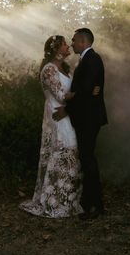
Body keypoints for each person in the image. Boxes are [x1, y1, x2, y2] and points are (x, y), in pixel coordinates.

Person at [19, 35, 84, 218]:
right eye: (64, 44)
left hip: (67, 114)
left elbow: (68, 94)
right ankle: (53, 200)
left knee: (71, 153)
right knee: (63, 151)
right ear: (56, 49)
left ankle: (67, 199)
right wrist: (84, 92)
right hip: (57, 115)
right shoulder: (49, 70)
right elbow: (61, 95)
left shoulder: (65, 69)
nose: (67, 46)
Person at [53, 28, 107, 220]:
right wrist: (83, 92)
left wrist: (67, 108)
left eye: (74, 40)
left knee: (88, 159)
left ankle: (95, 205)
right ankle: (89, 202)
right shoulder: (87, 60)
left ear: (84, 42)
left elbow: (85, 91)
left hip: (89, 119)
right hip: (87, 117)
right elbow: (86, 90)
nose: (72, 43)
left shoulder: (92, 60)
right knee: (86, 159)